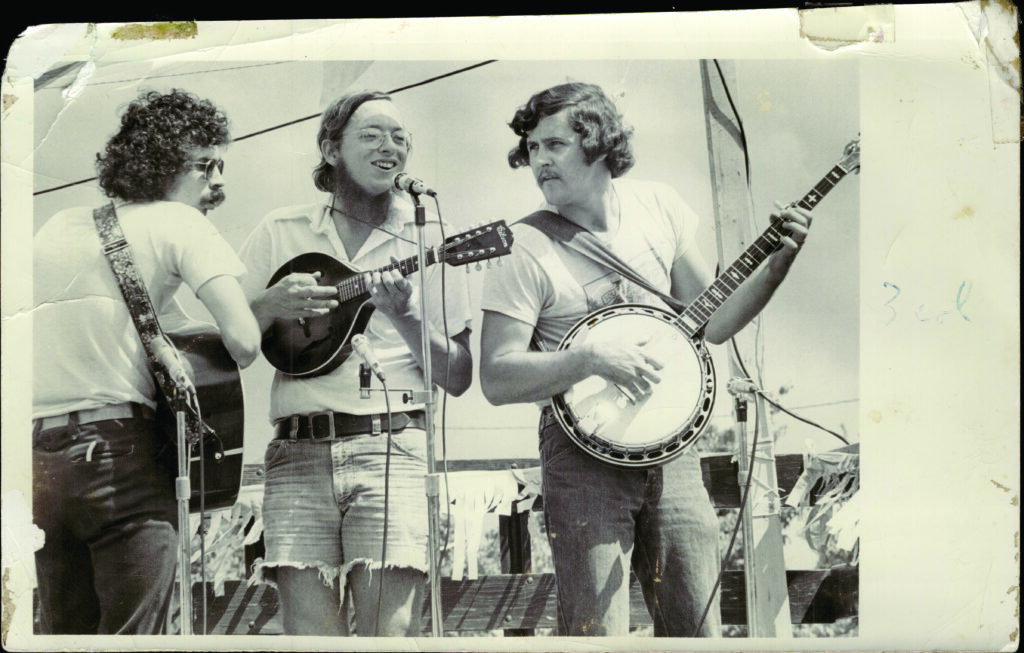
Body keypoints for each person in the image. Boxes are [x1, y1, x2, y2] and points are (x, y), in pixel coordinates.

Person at [479, 82, 813, 636]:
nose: (540, 161)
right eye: (532, 148)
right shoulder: (523, 248)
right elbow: (495, 376)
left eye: (555, 145)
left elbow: (715, 320)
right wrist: (589, 358)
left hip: (673, 449)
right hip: (580, 458)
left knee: (696, 629)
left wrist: (776, 269)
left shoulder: (659, 206)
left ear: (598, 143)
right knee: (597, 635)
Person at [239, 90, 473, 636]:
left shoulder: (429, 237)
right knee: (309, 638)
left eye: (399, 137)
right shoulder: (280, 230)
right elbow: (231, 341)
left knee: (389, 635)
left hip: (394, 448)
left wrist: (408, 316)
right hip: (297, 453)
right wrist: (269, 305)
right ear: (330, 149)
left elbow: (459, 376)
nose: (389, 146)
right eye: (371, 135)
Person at [31, 89, 261, 635]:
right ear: (160, 162)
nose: (218, 183)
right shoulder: (180, 222)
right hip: (119, 457)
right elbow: (244, 342)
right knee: (137, 639)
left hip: (38, 460)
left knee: (64, 639)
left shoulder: (60, 224)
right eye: (204, 165)